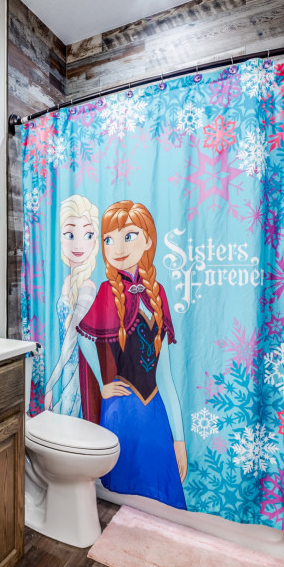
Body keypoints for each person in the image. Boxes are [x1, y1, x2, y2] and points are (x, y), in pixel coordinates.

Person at [76, 199, 188, 508]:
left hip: (155, 414)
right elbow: (84, 338)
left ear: (148, 239)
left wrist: (179, 438)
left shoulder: (158, 292)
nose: (117, 247)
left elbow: (164, 376)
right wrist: (102, 384)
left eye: (128, 236)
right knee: (121, 506)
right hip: (121, 411)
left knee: (162, 504)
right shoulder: (105, 292)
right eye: (109, 240)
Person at [43, 195, 99, 417]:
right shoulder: (66, 281)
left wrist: (50, 384)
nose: (78, 244)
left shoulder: (88, 286)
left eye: (87, 234)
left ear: (95, 240)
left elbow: (72, 338)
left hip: (77, 371)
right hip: (65, 368)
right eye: (69, 234)